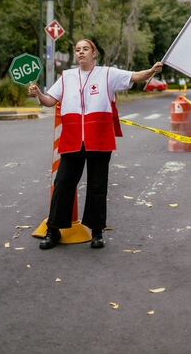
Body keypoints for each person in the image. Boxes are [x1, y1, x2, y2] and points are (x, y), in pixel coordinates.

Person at [28, 39, 163, 250]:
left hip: (99, 139)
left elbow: (135, 77)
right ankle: (53, 231)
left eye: (85, 49)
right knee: (63, 184)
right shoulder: (67, 77)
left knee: (97, 186)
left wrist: (152, 70)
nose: (80, 52)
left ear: (94, 54)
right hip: (72, 140)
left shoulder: (107, 74)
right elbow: (50, 100)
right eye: (77, 50)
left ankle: (97, 232)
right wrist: (38, 94)